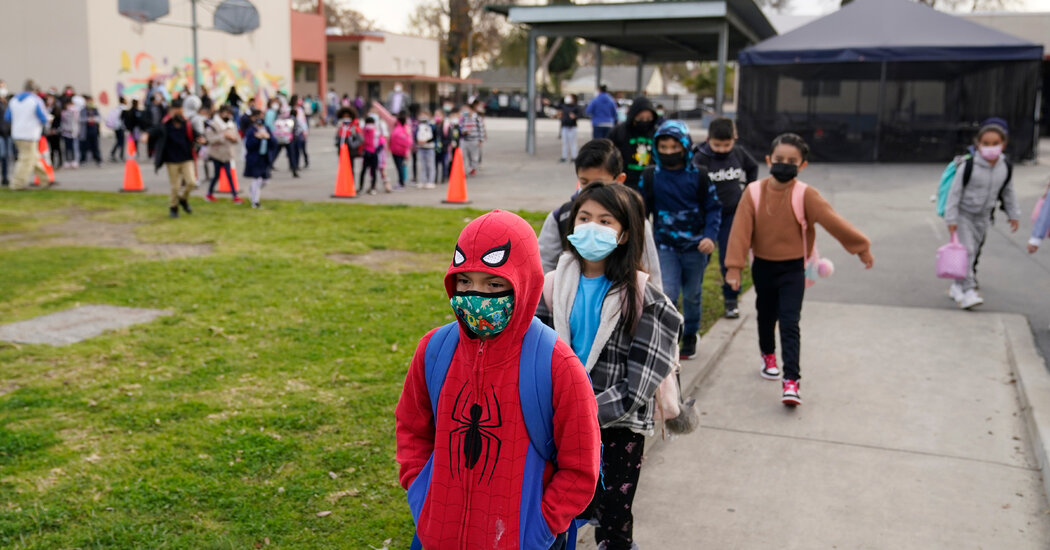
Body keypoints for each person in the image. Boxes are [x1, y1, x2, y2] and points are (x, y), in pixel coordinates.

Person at [395, 209, 601, 550]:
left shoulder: (557, 365)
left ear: (524, 281)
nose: (476, 297)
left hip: (519, 539)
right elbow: (412, 427)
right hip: (437, 535)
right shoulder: (433, 350)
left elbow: (580, 466)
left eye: (493, 284)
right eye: (465, 281)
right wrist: (420, 492)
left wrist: (539, 527)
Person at [536, 182, 680, 550]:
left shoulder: (645, 299)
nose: (591, 227)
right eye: (584, 218)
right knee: (552, 512)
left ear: (624, 234)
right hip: (558, 422)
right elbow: (534, 354)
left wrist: (579, 414)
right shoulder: (551, 286)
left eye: (605, 220)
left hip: (617, 427)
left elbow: (638, 386)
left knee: (614, 516)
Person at [725, 133, 874, 406]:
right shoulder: (754, 192)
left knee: (790, 322)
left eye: (791, 161)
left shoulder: (806, 194)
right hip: (763, 267)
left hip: (794, 268)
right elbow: (740, 232)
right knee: (766, 315)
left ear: (802, 165)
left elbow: (833, 222)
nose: (784, 164)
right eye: (779, 159)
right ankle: (767, 355)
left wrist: (860, 247)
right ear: (769, 160)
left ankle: (791, 381)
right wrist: (734, 267)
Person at [638, 121, 720, 361]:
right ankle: (671, 334)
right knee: (669, 292)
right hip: (664, 246)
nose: (669, 151)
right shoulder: (651, 176)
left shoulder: (700, 176)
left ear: (685, 146)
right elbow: (641, 211)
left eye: (675, 146)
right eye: (663, 147)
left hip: (696, 248)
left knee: (693, 294)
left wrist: (709, 237)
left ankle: (691, 333)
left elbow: (714, 209)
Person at [538, 139, 662, 287]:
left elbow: (651, 271)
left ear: (619, 180)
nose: (591, 190)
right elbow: (543, 265)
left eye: (599, 183)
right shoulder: (561, 216)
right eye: (584, 182)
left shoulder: (635, 220)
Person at [944, 118, 1020, 309]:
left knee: (973, 252)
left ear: (1004, 144)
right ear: (978, 144)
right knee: (967, 250)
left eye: (995, 143)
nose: (990, 148)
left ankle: (957, 285)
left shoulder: (1005, 168)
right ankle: (969, 291)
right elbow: (955, 193)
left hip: (984, 217)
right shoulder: (968, 166)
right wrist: (951, 218)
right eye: (986, 143)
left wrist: (1013, 214)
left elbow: (1008, 192)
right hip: (964, 215)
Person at [693, 117, 760, 319]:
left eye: (726, 144)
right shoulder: (700, 157)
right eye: (717, 145)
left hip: (731, 214)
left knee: (729, 259)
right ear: (708, 139)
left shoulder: (738, 153)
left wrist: (748, 189)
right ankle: (693, 295)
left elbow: (753, 167)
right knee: (700, 259)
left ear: (735, 138)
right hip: (705, 216)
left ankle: (731, 300)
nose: (722, 149)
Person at [150, 98, 204, 218]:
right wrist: (146, 135)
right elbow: (154, 132)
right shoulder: (165, 125)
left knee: (191, 182)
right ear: (171, 111)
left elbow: (197, 136)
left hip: (186, 158)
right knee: (175, 186)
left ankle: (183, 199)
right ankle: (173, 208)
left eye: (180, 110)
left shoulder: (187, 124)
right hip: (172, 160)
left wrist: (201, 140)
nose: (178, 113)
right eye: (175, 110)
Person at [607, 96, 659, 192]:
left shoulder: (657, 132)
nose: (644, 122)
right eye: (641, 118)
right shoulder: (619, 131)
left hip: (649, 182)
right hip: (625, 182)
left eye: (648, 119)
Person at [4, 80, 50, 190]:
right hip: (30, 134)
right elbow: (43, 118)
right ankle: (17, 184)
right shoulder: (35, 100)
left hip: (17, 134)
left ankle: (45, 180)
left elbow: (8, 117)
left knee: (33, 158)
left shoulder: (14, 100)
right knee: (25, 160)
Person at [204, 105, 242, 204]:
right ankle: (209, 194)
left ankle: (235, 196)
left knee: (229, 175)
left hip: (227, 154)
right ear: (221, 113)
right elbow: (210, 139)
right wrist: (223, 136)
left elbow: (237, 138)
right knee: (216, 175)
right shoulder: (213, 124)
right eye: (226, 113)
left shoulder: (231, 124)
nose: (228, 116)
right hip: (216, 154)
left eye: (230, 114)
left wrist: (233, 138)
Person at [243, 110, 276, 209]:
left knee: (265, 180)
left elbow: (274, 143)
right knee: (256, 179)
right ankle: (255, 202)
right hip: (255, 159)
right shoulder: (251, 131)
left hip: (265, 158)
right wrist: (257, 138)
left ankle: (253, 190)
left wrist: (268, 137)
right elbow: (248, 145)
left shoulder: (267, 129)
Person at [270, 107, 299, 178]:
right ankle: (294, 170)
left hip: (279, 139)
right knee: (291, 155)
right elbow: (294, 129)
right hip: (288, 140)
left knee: (274, 154)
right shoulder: (291, 119)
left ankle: (268, 168)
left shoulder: (278, 119)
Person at [458, 102, 485, 176]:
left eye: (466, 109)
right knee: (463, 155)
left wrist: (480, 140)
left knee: (474, 157)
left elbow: (481, 129)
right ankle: (464, 169)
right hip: (465, 140)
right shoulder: (464, 118)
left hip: (474, 140)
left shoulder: (477, 118)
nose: (465, 111)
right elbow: (460, 128)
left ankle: (472, 168)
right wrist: (464, 131)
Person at [389, 111, 413, 191]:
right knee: (399, 167)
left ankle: (401, 183)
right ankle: (401, 182)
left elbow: (408, 142)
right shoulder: (397, 126)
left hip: (400, 151)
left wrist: (407, 151)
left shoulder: (405, 128)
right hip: (395, 150)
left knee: (400, 167)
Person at [358, 115, 382, 194]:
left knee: (367, 171)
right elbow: (381, 143)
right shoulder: (370, 131)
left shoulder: (367, 131)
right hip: (371, 153)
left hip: (368, 153)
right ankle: (370, 188)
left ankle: (366, 188)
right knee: (371, 171)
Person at [414, 109, 437, 189]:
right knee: (422, 166)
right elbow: (415, 135)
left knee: (430, 165)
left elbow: (434, 136)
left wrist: (426, 141)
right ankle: (422, 181)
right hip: (421, 148)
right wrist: (418, 142)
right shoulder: (419, 126)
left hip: (429, 148)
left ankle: (431, 181)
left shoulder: (432, 125)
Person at [557, 94, 583, 163]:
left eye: (569, 97)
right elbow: (557, 107)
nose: (567, 98)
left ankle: (574, 157)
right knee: (564, 143)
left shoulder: (576, 107)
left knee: (573, 143)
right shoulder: (563, 106)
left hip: (572, 127)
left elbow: (580, 114)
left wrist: (575, 116)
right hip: (564, 127)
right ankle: (564, 157)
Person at [60, 99, 80, 168]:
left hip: (74, 132)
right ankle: (67, 160)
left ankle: (74, 160)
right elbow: (63, 122)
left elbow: (76, 121)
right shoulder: (63, 113)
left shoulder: (75, 112)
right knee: (67, 147)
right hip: (66, 132)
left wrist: (74, 112)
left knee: (74, 148)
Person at [107, 96, 127, 162]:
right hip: (120, 127)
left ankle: (113, 153)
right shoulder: (124, 108)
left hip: (116, 127)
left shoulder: (117, 108)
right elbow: (123, 119)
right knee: (121, 142)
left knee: (118, 141)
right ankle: (120, 155)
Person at [0, 91, 10, 186]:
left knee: (5, 158)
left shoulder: (6, 104)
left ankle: (5, 178)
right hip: (2, 134)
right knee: (3, 156)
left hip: (6, 134)